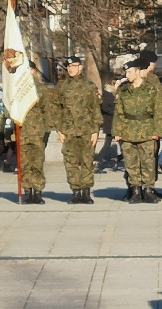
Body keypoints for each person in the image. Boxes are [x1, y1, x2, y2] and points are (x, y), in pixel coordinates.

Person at [113, 59, 162, 204]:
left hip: (147, 130)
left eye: (129, 71)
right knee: (131, 163)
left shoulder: (151, 89)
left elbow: (158, 112)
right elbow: (119, 112)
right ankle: (135, 190)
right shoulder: (124, 91)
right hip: (128, 130)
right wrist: (117, 131)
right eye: (126, 72)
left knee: (148, 162)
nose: (127, 75)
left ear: (137, 71)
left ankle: (148, 190)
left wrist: (158, 131)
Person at [53, 54, 102, 204]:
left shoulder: (89, 86)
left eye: (73, 66)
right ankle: (76, 191)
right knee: (71, 162)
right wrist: (59, 129)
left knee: (87, 161)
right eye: (68, 67)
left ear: (80, 67)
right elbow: (56, 109)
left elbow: (95, 109)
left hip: (86, 130)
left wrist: (95, 130)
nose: (70, 69)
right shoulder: (62, 87)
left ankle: (86, 192)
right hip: (69, 131)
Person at [18, 65, 51, 204]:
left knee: (37, 164)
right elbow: (11, 112)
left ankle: (37, 192)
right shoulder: (18, 91)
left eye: (29, 70)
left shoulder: (41, 89)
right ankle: (27, 192)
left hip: (38, 133)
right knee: (25, 165)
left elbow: (47, 110)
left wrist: (47, 130)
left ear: (34, 71)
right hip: (23, 133)